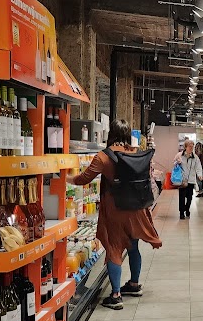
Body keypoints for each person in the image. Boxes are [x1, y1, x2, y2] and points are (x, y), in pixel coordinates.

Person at [68, 119, 162, 310]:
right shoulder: (136, 153)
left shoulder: (103, 157)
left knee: (114, 249)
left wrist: (66, 178)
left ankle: (116, 295)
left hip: (115, 210)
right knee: (133, 247)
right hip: (136, 209)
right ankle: (134, 284)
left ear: (111, 133)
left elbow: (83, 179)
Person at [174, 140, 203, 219]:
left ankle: (187, 209)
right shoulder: (179, 155)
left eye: (192, 147)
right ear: (185, 147)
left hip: (191, 180)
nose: (191, 148)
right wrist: (177, 162)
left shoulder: (195, 157)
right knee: (182, 197)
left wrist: (199, 175)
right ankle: (181, 213)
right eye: (190, 146)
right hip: (182, 180)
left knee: (189, 197)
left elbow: (198, 166)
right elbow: (174, 164)